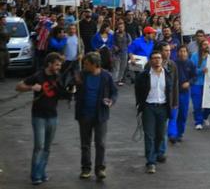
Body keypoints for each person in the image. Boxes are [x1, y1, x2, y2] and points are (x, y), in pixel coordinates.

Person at [16, 53, 67, 185]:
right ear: (49, 64)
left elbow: (62, 94)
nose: (58, 67)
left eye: (60, 65)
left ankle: (42, 172)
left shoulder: (58, 77)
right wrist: (31, 87)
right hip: (39, 116)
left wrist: (69, 90)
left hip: (53, 116)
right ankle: (35, 175)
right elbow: (18, 86)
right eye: (56, 64)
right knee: (39, 146)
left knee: (47, 147)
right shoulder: (38, 76)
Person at [74, 52, 118, 181]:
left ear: (94, 64)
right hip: (84, 115)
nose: (84, 66)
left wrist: (111, 100)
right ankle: (86, 168)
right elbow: (71, 85)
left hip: (100, 115)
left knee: (101, 143)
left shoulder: (106, 76)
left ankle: (100, 169)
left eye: (86, 64)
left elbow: (114, 92)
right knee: (85, 144)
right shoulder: (82, 75)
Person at [135, 51, 177, 174]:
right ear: (150, 61)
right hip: (149, 107)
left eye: (159, 58)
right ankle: (150, 162)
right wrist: (139, 104)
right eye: (154, 58)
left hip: (163, 108)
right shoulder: (144, 75)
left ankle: (157, 153)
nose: (157, 60)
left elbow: (171, 90)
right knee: (149, 135)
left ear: (162, 60)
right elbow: (138, 90)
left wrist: (173, 104)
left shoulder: (168, 74)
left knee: (160, 135)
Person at [168, 46, 196, 142]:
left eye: (184, 51)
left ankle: (180, 133)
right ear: (177, 52)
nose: (183, 53)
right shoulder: (173, 63)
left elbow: (194, 76)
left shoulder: (190, 63)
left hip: (184, 93)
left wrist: (189, 83)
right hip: (174, 92)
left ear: (187, 53)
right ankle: (172, 134)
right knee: (173, 113)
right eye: (181, 51)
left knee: (183, 114)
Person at [190, 39, 210, 130]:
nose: (206, 46)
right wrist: (201, 71)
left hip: (209, 84)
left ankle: (204, 116)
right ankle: (198, 122)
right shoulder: (194, 56)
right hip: (196, 83)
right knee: (197, 104)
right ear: (200, 46)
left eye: (208, 45)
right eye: (204, 45)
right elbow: (191, 70)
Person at [112, 20, 132, 86]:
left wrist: (128, 47)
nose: (121, 28)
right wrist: (114, 46)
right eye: (119, 27)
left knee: (123, 67)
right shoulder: (114, 34)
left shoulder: (127, 34)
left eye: (122, 27)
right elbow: (111, 42)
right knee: (116, 67)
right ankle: (114, 80)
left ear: (124, 28)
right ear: (117, 28)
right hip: (116, 53)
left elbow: (130, 42)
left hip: (124, 52)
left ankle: (119, 79)